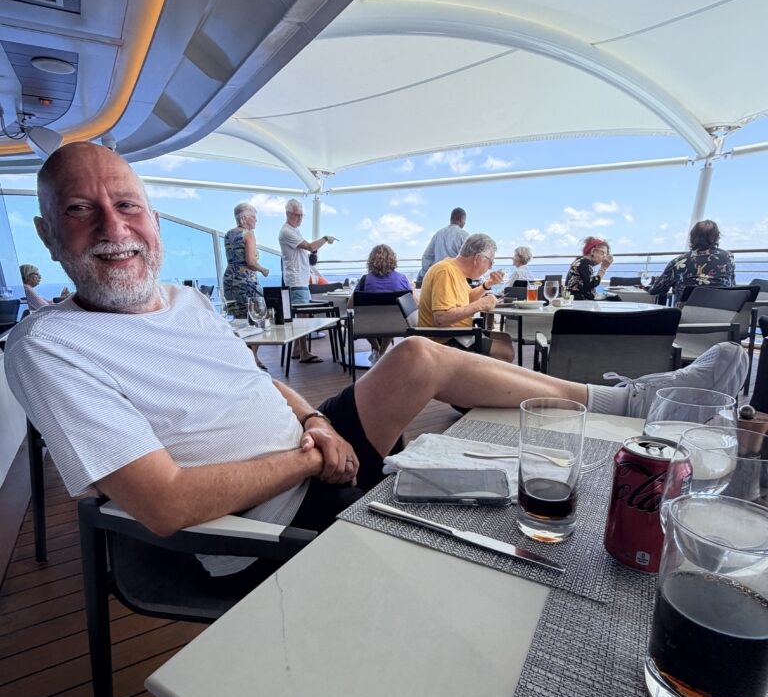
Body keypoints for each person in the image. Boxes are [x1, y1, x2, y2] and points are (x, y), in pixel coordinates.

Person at [5, 144, 748, 590]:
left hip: (310, 454)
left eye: (127, 205)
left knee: (417, 354)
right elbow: (166, 505)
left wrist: (314, 420)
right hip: (258, 525)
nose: (114, 227)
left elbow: (256, 381)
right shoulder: (50, 345)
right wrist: (310, 457)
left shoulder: (184, 301)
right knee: (502, 535)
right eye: (80, 210)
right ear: (46, 233)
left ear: (151, 218)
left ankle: (623, 400)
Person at [418, 233, 514, 362]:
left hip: (459, 333)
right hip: (445, 339)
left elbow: (468, 298)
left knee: (506, 338)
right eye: (490, 262)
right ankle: (474, 373)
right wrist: (480, 304)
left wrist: (488, 284)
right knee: (506, 351)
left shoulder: (455, 269)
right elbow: (441, 318)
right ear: (477, 258)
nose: (490, 267)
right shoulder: (445, 271)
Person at [278, 198, 337, 363]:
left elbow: (304, 251)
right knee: (302, 318)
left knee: (303, 316)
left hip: (300, 280)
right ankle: (304, 352)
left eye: (302, 215)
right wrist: (325, 238)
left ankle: (297, 349)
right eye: (297, 215)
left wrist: (310, 256)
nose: (300, 218)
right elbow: (311, 246)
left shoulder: (294, 231)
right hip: (296, 281)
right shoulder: (287, 231)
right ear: (288, 214)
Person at [222, 202, 269, 369]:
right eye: (253, 217)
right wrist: (263, 270)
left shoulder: (228, 234)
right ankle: (253, 359)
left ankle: (242, 359)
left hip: (230, 280)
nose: (256, 220)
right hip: (245, 281)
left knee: (239, 320)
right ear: (245, 218)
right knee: (256, 319)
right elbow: (250, 261)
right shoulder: (248, 234)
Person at [649, 220, 735, 301]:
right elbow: (731, 286)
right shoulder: (728, 257)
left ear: (692, 237)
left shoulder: (678, 262)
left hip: (687, 311)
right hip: (721, 309)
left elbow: (656, 290)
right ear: (716, 237)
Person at [354, 244, 413, 361]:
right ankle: (382, 352)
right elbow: (411, 303)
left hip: (367, 326)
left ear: (371, 260)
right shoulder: (402, 279)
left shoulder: (365, 280)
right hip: (396, 325)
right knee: (391, 318)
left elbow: (350, 305)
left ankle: (377, 349)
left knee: (365, 319)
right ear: (393, 259)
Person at [419, 207, 468, 281]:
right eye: (465, 220)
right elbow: (470, 259)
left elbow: (426, 256)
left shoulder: (437, 234)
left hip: (439, 277)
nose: (465, 223)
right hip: (456, 278)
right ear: (461, 219)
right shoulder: (464, 235)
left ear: (450, 219)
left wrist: (427, 274)